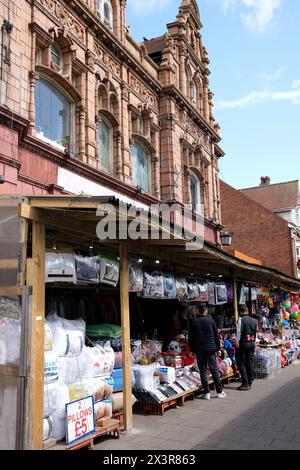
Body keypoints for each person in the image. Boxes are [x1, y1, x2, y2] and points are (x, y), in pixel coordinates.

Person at [189, 305, 226, 400]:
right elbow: (216, 335)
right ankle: (219, 392)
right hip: (211, 349)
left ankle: (207, 393)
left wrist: (192, 350)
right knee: (214, 370)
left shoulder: (194, 322)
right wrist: (218, 348)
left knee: (203, 371)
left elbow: (191, 338)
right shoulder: (210, 320)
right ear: (205, 311)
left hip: (199, 349)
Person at [235, 305, 258, 391]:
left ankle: (245, 383)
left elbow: (238, 332)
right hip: (252, 342)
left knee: (241, 362)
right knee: (249, 361)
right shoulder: (254, 320)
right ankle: (250, 380)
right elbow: (255, 332)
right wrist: (254, 342)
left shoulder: (241, 319)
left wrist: (237, 342)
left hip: (244, 343)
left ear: (240, 312)